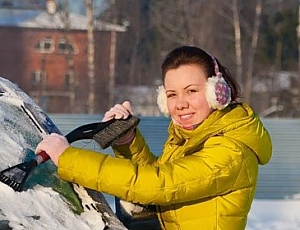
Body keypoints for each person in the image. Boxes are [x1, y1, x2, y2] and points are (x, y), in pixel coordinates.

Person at [36, 46, 272, 230]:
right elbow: (161, 188)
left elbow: (158, 185)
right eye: (172, 94)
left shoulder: (230, 151)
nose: (180, 104)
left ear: (217, 92)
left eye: (191, 91)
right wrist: (127, 141)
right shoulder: (190, 137)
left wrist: (68, 158)